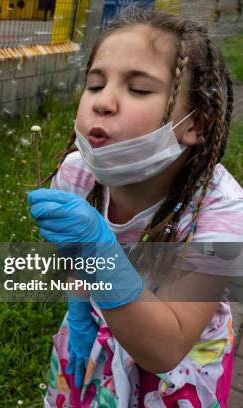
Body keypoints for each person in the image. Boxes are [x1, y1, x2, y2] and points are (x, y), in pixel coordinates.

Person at [27, 6, 242, 407]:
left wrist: (100, 250)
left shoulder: (221, 210)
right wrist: (77, 305)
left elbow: (165, 349)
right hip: (97, 324)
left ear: (197, 124)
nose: (103, 103)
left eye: (139, 89)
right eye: (94, 85)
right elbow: (78, 259)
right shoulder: (77, 174)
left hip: (180, 360)